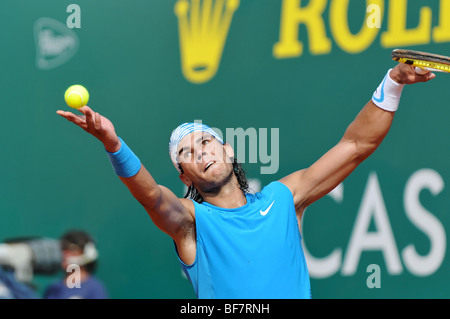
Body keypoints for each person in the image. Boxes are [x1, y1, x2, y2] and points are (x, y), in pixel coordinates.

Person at [57, 63, 435, 298]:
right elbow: (153, 198)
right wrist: (113, 143)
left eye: (206, 142)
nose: (201, 152)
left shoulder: (285, 198)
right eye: (188, 153)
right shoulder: (191, 224)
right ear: (182, 175)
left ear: (229, 151)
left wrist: (393, 83)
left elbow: (356, 145)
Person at [44, 230, 108, 299]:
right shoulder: (53, 288)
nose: (65, 254)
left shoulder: (94, 288)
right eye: (63, 249)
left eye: (72, 249)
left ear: (87, 254)